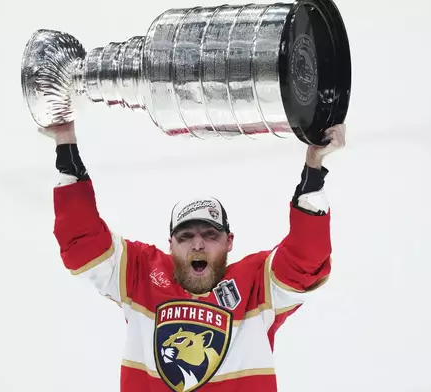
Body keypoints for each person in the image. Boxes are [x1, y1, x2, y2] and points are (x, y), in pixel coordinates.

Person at [46, 120, 345, 392]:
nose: (198, 244)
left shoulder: (256, 286)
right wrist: (65, 144)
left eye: (210, 235)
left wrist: (314, 168)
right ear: (171, 244)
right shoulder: (140, 275)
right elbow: (82, 243)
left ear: (229, 242)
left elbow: (307, 260)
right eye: (186, 236)